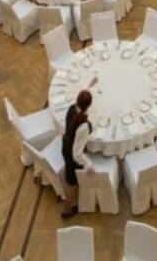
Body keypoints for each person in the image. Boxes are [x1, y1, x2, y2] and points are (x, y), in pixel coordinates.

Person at [61, 86, 97, 218]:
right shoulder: (83, 126)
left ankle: (68, 203)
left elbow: (81, 100)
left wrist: (89, 86)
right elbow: (77, 154)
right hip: (72, 156)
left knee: (70, 179)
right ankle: (66, 210)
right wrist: (88, 164)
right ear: (89, 105)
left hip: (65, 146)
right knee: (72, 183)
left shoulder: (71, 109)